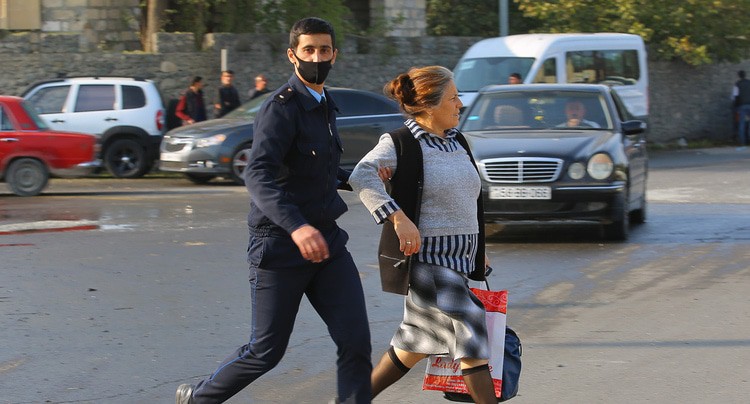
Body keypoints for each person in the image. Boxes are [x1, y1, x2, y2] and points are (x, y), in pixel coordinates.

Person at [175, 17, 372, 404]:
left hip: (328, 243)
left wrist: (363, 179)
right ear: (292, 55)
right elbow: (258, 173)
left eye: (324, 50)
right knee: (266, 351)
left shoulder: (325, 105)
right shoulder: (280, 108)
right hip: (281, 245)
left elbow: (318, 168)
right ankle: (198, 399)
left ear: (335, 54)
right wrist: (297, 227)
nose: (317, 58)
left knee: (356, 342)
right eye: (309, 50)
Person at [348, 66, 497, 403]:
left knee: (413, 344)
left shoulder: (458, 141)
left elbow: (466, 200)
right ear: (430, 105)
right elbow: (361, 175)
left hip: (459, 262)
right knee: (471, 322)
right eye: (453, 97)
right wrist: (397, 217)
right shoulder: (400, 143)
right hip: (427, 261)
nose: (460, 104)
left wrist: (478, 248)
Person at [732, 70, 750, 148]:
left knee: (741, 123)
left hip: (742, 106)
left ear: (739, 76)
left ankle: (742, 141)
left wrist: (735, 106)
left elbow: (735, 96)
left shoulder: (737, 84)